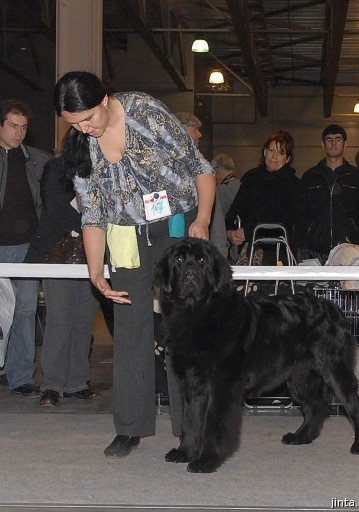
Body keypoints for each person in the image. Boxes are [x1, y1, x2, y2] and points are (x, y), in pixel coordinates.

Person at [53, 71, 215, 458]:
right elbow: (92, 214)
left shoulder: (145, 111)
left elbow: (200, 168)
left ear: (104, 99)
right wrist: (96, 272)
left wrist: (203, 219)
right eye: (73, 123)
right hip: (126, 235)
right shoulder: (80, 143)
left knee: (182, 330)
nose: (84, 129)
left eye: (88, 118)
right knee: (129, 330)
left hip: (177, 227)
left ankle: (189, 428)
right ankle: (130, 427)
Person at [25, 144, 101, 407]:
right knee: (59, 320)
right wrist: (91, 225)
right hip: (59, 253)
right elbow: (54, 206)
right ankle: (52, 385)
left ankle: (77, 382)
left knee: (83, 321)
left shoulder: (104, 167)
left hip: (93, 254)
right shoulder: (56, 167)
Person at [0, 99, 50, 397]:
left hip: (27, 248)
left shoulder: (39, 160)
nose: (19, 132)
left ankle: (21, 376)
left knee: (25, 310)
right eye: (13, 126)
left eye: (24, 127)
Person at [225, 130, 306, 262]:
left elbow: (282, 218)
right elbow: (235, 209)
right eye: (271, 150)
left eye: (281, 153)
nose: (274, 156)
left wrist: (248, 231)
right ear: (264, 152)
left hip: (279, 250)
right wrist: (230, 232)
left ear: (287, 159)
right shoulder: (250, 178)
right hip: (249, 248)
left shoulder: (294, 185)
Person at [301, 124, 359, 263]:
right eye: (329, 139)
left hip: (348, 249)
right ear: (322, 144)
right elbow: (301, 213)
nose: (333, 144)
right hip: (314, 250)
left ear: (345, 144)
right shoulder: (310, 176)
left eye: (338, 139)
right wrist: (304, 240)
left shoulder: (357, 177)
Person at [175, 111, 228, 256]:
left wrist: (220, 248)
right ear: (180, 131)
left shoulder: (202, 169)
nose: (200, 135)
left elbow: (215, 215)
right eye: (195, 130)